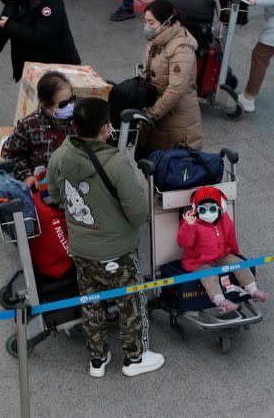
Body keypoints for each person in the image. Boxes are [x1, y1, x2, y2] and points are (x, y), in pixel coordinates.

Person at [46, 97, 165, 378]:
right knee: (131, 302)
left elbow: (54, 194)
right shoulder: (116, 163)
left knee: (91, 303)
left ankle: (97, 359)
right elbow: (138, 213)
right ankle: (135, 357)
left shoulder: (61, 155)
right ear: (104, 128)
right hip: (117, 250)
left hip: (82, 249)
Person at [176, 186, 271, 313]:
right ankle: (221, 301)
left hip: (221, 255)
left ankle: (253, 290)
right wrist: (188, 226)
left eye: (212, 208)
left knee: (239, 264)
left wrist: (236, 251)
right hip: (197, 261)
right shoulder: (192, 223)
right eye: (203, 210)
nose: (208, 213)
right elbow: (183, 243)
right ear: (196, 210)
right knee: (209, 275)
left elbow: (231, 238)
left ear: (221, 208)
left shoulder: (225, 220)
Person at [140, 0, 202, 151]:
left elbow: (176, 89)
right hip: (161, 120)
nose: (147, 26)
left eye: (151, 22)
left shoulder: (181, 49)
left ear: (166, 23)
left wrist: (151, 114)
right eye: (145, 21)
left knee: (169, 170)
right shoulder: (156, 41)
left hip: (177, 126)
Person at [2, 72, 76, 188]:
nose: (70, 105)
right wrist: (27, 175)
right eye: (63, 104)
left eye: (72, 99)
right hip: (41, 184)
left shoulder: (77, 122)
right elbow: (11, 153)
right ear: (45, 105)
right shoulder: (29, 126)